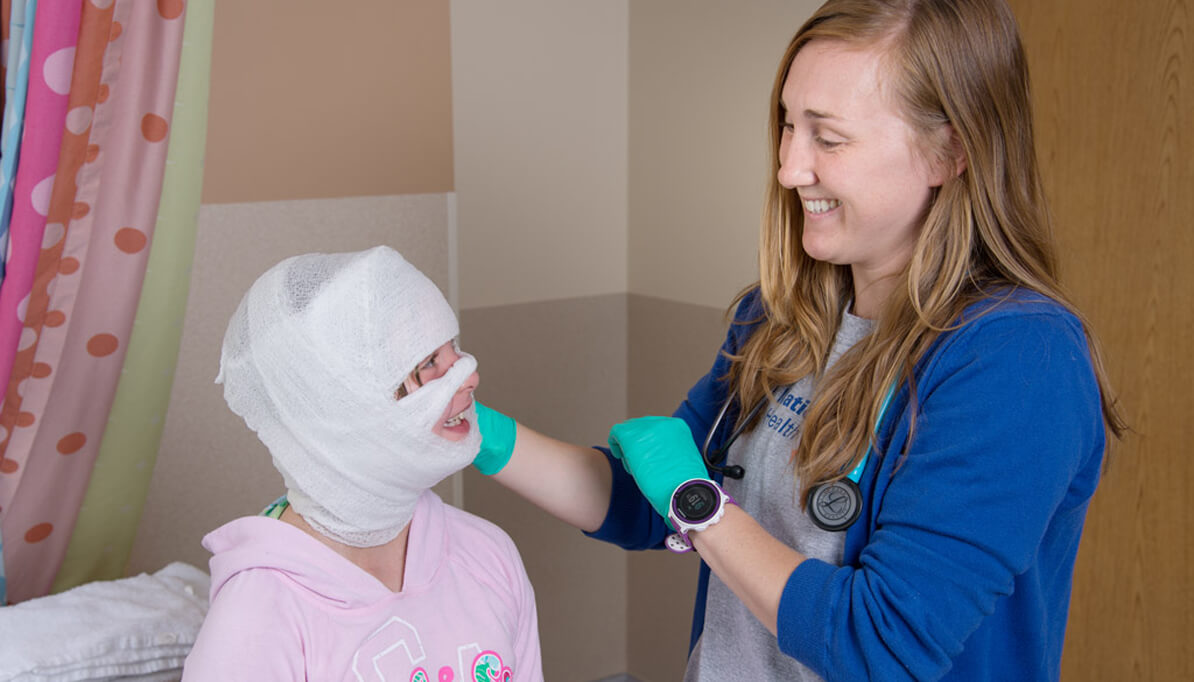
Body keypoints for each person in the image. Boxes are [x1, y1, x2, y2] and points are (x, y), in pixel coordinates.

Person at [469, 0, 1125, 680]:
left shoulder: (1019, 362)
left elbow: (882, 642)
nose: (788, 168)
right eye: (787, 126)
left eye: (828, 138)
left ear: (949, 151)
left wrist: (698, 502)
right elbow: (645, 503)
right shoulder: (777, 319)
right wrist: (475, 433)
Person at [183, 246, 543, 682]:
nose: (468, 373)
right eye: (427, 362)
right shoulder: (257, 616)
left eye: (453, 347)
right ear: (340, 404)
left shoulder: (488, 554)